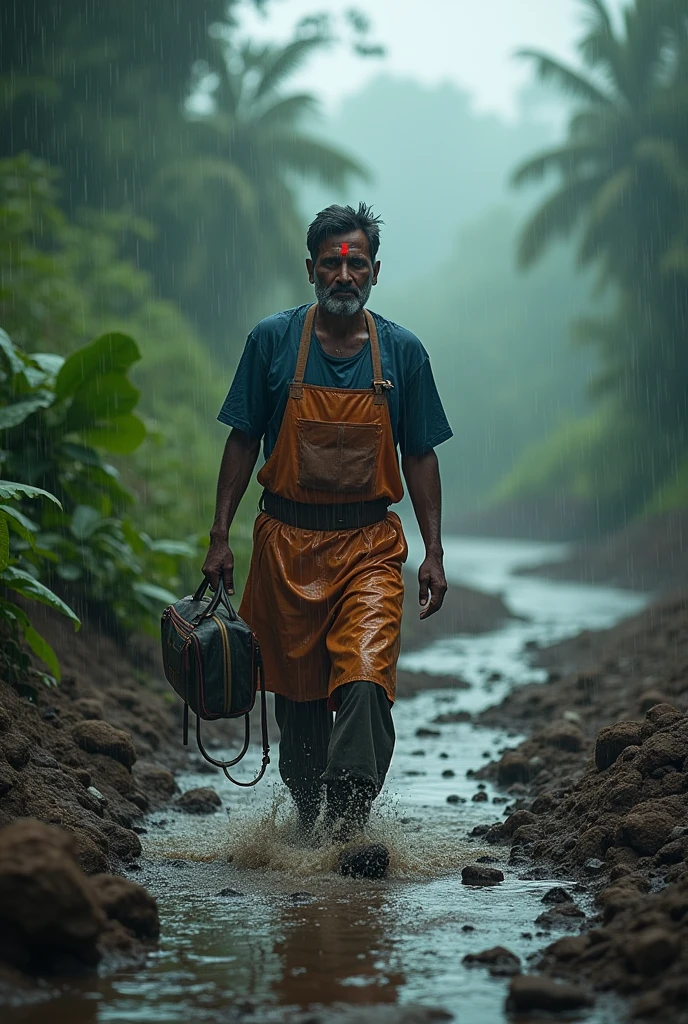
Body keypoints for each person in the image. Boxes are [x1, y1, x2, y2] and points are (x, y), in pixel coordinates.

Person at [202, 202, 452, 851]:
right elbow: (243, 439)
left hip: (369, 547)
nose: (345, 275)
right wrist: (219, 535)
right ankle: (308, 813)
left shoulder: (403, 352)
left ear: (374, 272)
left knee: (366, 678)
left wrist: (433, 552)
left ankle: (350, 822)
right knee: (300, 701)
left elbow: (420, 454)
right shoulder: (272, 341)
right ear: (312, 269)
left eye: (357, 264)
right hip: (285, 547)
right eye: (333, 264)